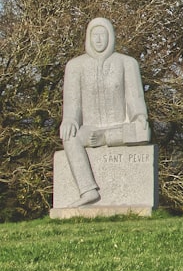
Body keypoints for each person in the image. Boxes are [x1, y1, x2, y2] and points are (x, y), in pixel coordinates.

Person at [60, 17, 151, 206]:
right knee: (69, 136)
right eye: (95, 35)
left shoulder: (127, 63)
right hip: (89, 129)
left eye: (103, 34)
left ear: (110, 36)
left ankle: (107, 138)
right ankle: (88, 190)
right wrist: (69, 119)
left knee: (142, 130)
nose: (99, 39)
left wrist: (140, 116)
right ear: (88, 37)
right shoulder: (75, 66)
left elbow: (135, 99)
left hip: (119, 128)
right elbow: (72, 104)